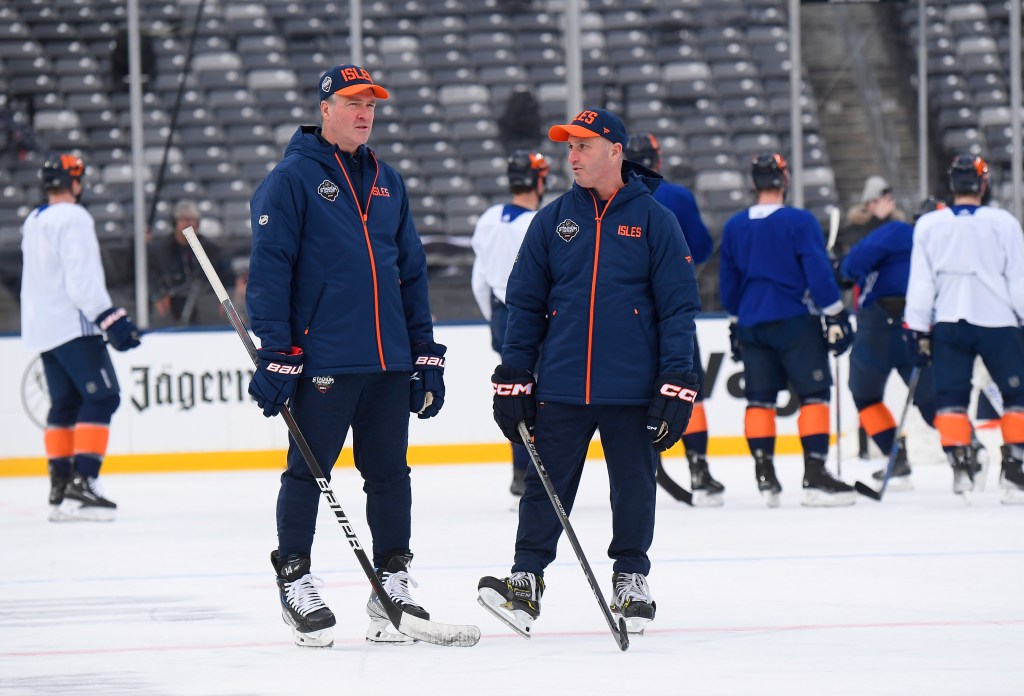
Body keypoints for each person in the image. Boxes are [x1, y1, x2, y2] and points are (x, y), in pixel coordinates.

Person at [477, 108, 701, 638]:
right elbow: (524, 303)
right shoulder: (553, 219)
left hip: (631, 387)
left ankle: (630, 577)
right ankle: (525, 581)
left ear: (615, 151)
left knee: (634, 485)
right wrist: (514, 371)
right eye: (568, 147)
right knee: (545, 485)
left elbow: (677, 309)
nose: (571, 157)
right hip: (561, 383)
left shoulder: (655, 220)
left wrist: (677, 381)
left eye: (582, 146)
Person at [246, 64, 447, 648]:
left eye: (372, 105)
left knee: (390, 475)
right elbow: (270, 272)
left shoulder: (390, 181)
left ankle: (392, 583)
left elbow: (410, 273)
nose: (365, 113)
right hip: (325, 358)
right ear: (325, 107)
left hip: (387, 360)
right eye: (353, 102)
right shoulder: (290, 180)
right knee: (308, 470)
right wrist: (277, 350)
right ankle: (296, 579)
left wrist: (425, 350)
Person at [719, 152, 856, 508]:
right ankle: (815, 475)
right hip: (794, 320)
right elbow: (818, 272)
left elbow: (729, 284)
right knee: (814, 395)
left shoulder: (735, 225)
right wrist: (836, 313)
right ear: (785, 180)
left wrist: (736, 320)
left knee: (759, 400)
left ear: (753, 183)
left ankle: (765, 476)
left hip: (751, 322)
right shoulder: (799, 221)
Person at [20, 152, 141, 522]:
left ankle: (60, 488)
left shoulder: (33, 218)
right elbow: (82, 280)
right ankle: (83, 482)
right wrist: (110, 318)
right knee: (103, 397)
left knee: (65, 404)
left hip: (43, 329)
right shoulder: (74, 218)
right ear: (74, 181)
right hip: (74, 326)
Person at [839, 196, 989, 491]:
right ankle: (969, 448)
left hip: (880, 325)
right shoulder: (957, 244)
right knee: (933, 401)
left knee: (864, 394)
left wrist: (841, 270)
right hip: (925, 328)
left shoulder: (898, 232)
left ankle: (896, 458)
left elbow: (855, 263)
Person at [903, 153, 1024, 503]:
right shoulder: (1003, 222)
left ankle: (961, 468)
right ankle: (1015, 469)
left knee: (951, 398)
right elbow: (1017, 279)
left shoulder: (930, 224)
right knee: (1017, 396)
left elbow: (922, 283)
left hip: (949, 322)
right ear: (983, 185)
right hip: (998, 321)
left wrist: (916, 327)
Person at [625, 132, 722, 505]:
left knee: (629, 390)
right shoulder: (678, 197)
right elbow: (700, 247)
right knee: (685, 386)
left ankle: (636, 469)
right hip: (670, 306)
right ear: (658, 161)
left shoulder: (609, 198)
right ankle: (698, 466)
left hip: (625, 312)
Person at [470, 149, 550, 498]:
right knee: (544, 396)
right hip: (537, 316)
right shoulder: (539, 222)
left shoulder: (488, 219)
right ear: (539, 180)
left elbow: (479, 281)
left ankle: (520, 471)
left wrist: (496, 322)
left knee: (515, 391)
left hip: (504, 317)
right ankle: (538, 471)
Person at [149, 199, 233, 326]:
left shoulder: (211, 249)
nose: (188, 224)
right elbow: (153, 276)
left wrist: (226, 298)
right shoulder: (162, 250)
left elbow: (226, 276)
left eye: (192, 219)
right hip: (171, 303)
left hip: (204, 303)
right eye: (184, 219)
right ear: (175, 222)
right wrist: (158, 294)